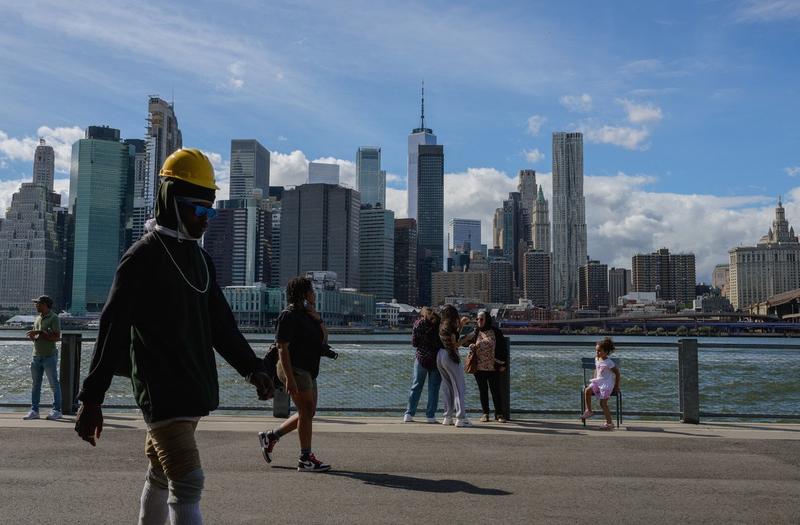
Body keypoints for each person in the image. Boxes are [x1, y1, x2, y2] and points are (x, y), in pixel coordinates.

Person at [74, 148, 274, 525]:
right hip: (162, 391)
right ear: (169, 201)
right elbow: (112, 328)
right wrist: (92, 399)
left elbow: (222, 325)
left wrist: (252, 368)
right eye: (197, 210)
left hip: (193, 388)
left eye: (210, 211)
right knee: (189, 481)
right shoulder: (142, 257)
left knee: (161, 474)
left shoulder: (201, 261)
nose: (205, 220)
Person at [258, 276, 333, 472]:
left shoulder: (309, 314)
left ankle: (272, 436)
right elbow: (282, 348)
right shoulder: (288, 315)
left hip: (309, 369)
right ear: (302, 293)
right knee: (306, 411)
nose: (314, 293)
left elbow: (324, 340)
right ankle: (305, 458)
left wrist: (318, 319)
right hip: (294, 369)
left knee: (308, 412)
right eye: (311, 290)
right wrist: (290, 379)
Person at [462, 310, 507, 423]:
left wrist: (503, 364)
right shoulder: (476, 332)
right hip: (479, 367)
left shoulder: (496, 332)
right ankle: (485, 413)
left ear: (487, 319)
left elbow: (503, 349)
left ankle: (499, 414)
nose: (479, 321)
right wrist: (470, 343)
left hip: (493, 366)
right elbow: (463, 342)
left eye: (481, 319)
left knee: (495, 391)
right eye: (477, 319)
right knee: (483, 391)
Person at [23, 295, 62, 420]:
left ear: (45, 305)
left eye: (38, 303)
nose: (36, 305)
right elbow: (38, 337)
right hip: (36, 355)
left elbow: (56, 337)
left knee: (53, 384)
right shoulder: (38, 318)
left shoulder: (54, 317)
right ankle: (34, 410)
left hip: (49, 356)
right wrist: (33, 337)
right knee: (35, 384)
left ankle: (57, 410)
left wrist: (40, 332)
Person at [403, 307, 443, 423]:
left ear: (422, 314)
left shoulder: (417, 324)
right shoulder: (437, 325)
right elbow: (441, 342)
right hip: (435, 359)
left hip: (421, 358)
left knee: (416, 386)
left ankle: (409, 414)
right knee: (433, 389)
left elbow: (414, 343)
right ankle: (430, 416)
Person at [437, 305, 472, 428]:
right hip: (450, 356)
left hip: (440, 356)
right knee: (459, 387)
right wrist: (467, 338)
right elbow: (455, 344)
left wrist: (461, 326)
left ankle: (447, 417)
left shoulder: (442, 326)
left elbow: (452, 337)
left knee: (447, 387)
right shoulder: (450, 326)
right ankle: (461, 418)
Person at [581, 337, 621, 430]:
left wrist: (616, 386)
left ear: (606, 352)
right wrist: (593, 381)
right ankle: (589, 411)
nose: (597, 353)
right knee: (587, 390)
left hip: (606, 385)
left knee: (603, 403)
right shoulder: (597, 359)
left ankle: (609, 423)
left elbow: (617, 374)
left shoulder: (609, 362)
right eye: (596, 351)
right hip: (598, 382)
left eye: (599, 351)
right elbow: (596, 370)